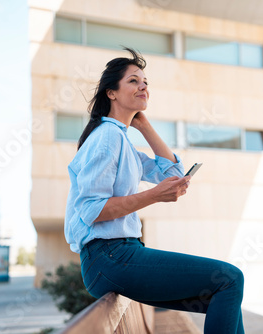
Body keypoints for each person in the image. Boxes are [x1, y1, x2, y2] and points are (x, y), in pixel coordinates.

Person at [64, 47, 245, 334]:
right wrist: (153, 196)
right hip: (110, 257)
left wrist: (144, 125)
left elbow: (172, 174)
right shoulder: (107, 137)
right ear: (111, 93)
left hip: (120, 255)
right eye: (133, 81)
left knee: (224, 290)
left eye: (145, 82)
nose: (143, 86)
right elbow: (91, 210)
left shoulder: (122, 140)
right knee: (229, 278)